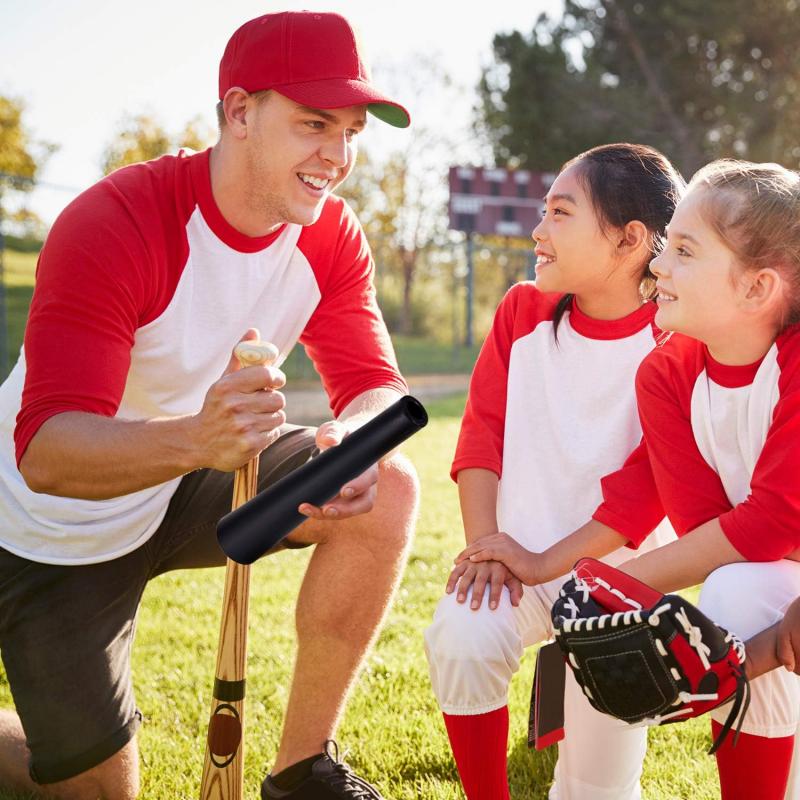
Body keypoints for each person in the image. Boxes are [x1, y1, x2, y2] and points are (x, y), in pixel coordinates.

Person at [0, 11, 420, 800]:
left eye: (352, 130)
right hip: (45, 526)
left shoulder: (329, 235)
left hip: (185, 482)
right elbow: (47, 452)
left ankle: (304, 770)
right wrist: (199, 438)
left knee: (387, 491)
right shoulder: (117, 224)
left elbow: (377, 385)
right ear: (237, 112)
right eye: (313, 124)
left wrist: (361, 441)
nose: (338, 155)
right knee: (93, 794)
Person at [463, 160, 800, 800]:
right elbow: (714, 531)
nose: (661, 266)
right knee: (741, 586)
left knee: (744, 587)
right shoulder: (666, 375)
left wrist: (602, 588)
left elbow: (771, 520)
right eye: (665, 245)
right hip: (783, 572)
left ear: (757, 290)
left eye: (685, 251)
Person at [424, 143, 684, 800]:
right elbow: (481, 434)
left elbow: (641, 492)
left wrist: (545, 562)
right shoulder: (521, 313)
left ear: (629, 240)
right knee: (463, 635)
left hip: (617, 588)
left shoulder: (677, 344)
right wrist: (488, 547)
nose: (538, 232)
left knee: (596, 790)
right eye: (543, 212)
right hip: (514, 566)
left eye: (561, 213)